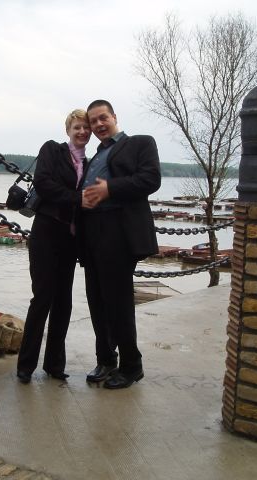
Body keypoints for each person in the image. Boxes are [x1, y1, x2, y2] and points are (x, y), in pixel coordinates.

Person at [78, 99, 161, 389]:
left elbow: (151, 179)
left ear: (114, 117)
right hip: (92, 232)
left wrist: (109, 189)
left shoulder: (140, 143)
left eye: (103, 118)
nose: (99, 124)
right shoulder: (96, 155)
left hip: (119, 230)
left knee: (118, 301)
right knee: (96, 300)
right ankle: (105, 359)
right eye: (93, 121)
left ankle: (131, 365)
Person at [16, 109, 91, 384]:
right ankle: (26, 365)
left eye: (85, 128)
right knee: (42, 298)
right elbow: (44, 184)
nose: (82, 131)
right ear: (68, 130)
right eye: (77, 127)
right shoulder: (52, 150)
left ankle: (54, 365)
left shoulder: (89, 164)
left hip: (70, 240)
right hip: (46, 235)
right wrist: (77, 198)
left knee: (63, 302)